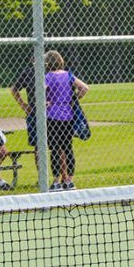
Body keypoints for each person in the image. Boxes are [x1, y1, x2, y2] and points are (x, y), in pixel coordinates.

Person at [43, 50, 88, 190]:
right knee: (68, 147)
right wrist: (73, 99)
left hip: (52, 115)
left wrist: (45, 101)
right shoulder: (68, 75)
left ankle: (56, 181)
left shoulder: (48, 77)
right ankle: (69, 180)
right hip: (68, 115)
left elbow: (40, 91)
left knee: (55, 148)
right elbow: (84, 88)